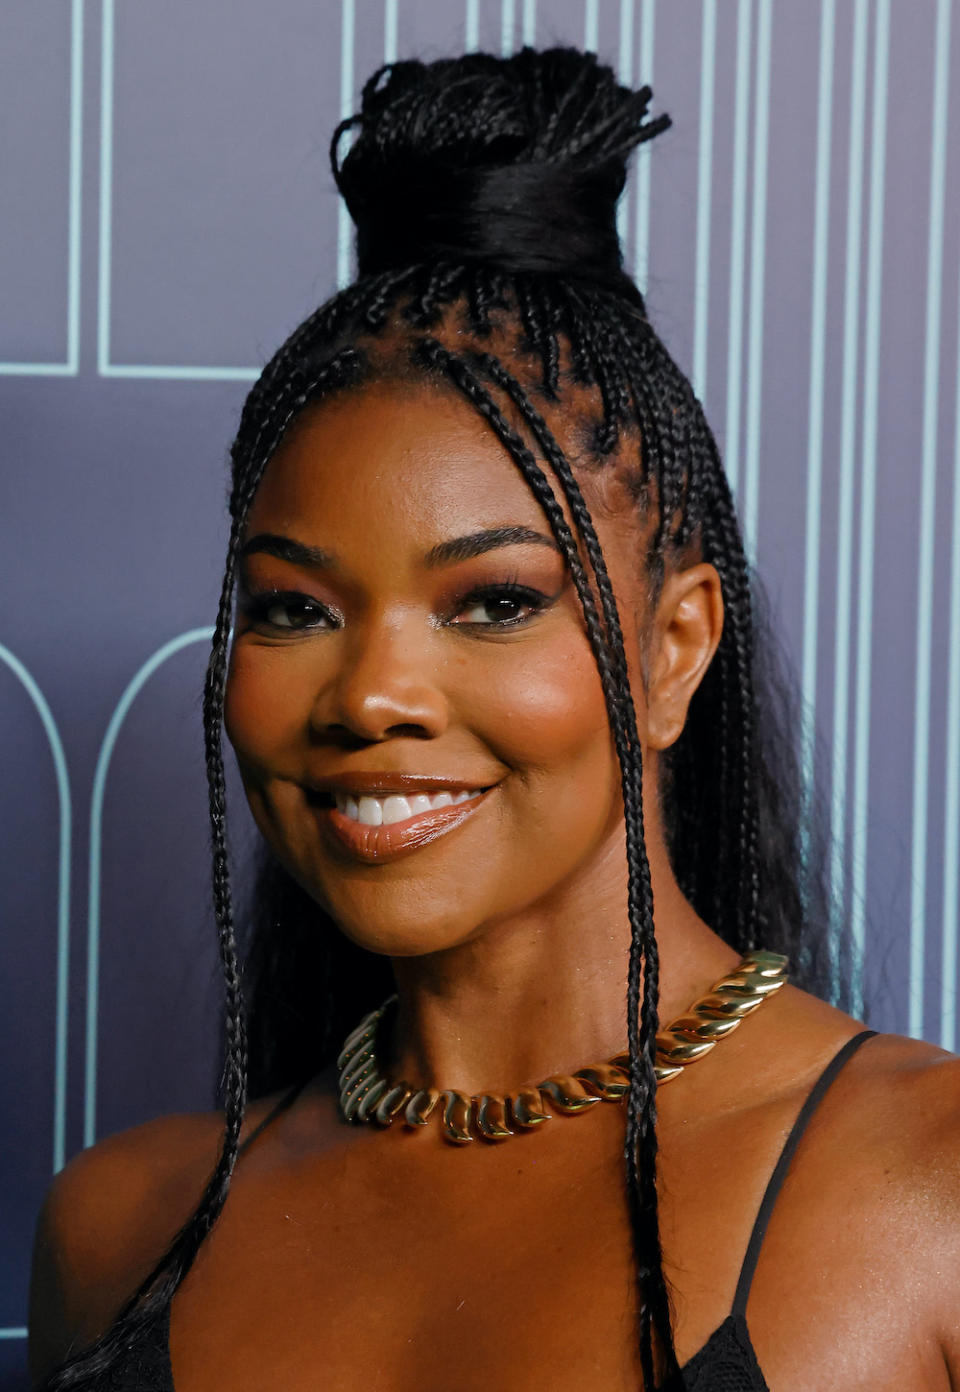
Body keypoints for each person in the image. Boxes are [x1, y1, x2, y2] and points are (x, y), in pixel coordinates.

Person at [27, 45, 960, 1392]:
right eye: (294, 609)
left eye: (491, 603)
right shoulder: (120, 1232)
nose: (371, 697)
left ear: (673, 648)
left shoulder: (923, 1190)